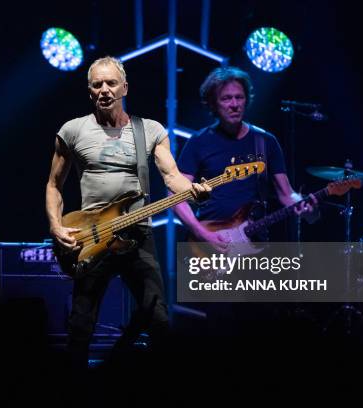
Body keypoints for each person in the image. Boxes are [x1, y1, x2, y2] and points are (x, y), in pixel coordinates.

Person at [45, 56, 210, 368]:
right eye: (97, 85)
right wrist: (55, 226)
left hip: (138, 234)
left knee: (158, 316)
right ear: (89, 90)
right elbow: (53, 185)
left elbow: (172, 176)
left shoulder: (149, 130)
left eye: (111, 83)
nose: (105, 90)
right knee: (81, 323)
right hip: (90, 236)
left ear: (125, 87)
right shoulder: (73, 130)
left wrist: (194, 194)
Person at [174, 66, 317, 247]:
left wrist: (304, 207)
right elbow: (176, 197)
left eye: (239, 97)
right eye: (226, 98)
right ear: (213, 103)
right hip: (209, 243)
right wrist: (202, 234)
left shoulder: (265, 141)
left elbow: (287, 194)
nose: (234, 104)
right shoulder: (199, 141)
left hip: (253, 242)